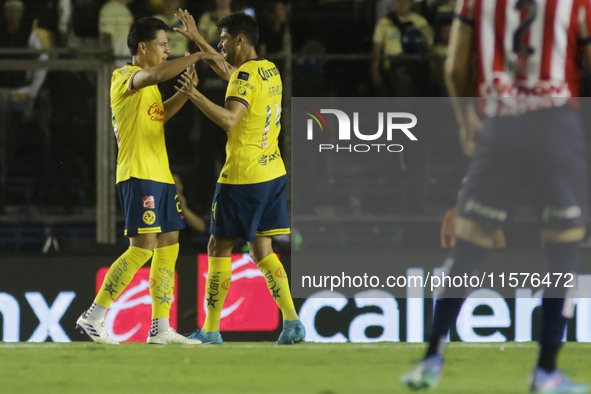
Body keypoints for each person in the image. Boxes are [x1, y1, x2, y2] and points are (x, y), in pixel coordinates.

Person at [401, 0, 591, 392]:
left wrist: (465, 119)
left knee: (468, 246)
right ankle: (546, 371)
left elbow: (455, 66)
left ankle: (431, 359)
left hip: (500, 125)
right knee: (563, 251)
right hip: (555, 125)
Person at [76, 16, 229, 345]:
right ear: (142, 48)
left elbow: (159, 117)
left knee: (169, 244)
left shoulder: (150, 88)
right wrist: (199, 54)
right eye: (163, 45)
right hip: (137, 173)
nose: (167, 51)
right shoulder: (124, 77)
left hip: (160, 174)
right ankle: (94, 315)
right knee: (142, 247)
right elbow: (159, 73)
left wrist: (186, 94)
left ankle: (160, 327)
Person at [173, 9, 305, 345]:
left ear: (240, 40)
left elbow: (230, 120)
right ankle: (292, 324)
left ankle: (211, 330)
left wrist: (193, 94)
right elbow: (231, 71)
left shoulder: (245, 77)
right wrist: (199, 42)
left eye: (223, 39)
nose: (221, 43)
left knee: (219, 247)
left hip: (243, 176)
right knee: (262, 248)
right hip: (272, 171)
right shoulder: (267, 70)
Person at [371, 0, 434, 96]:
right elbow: (376, 51)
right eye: (398, 1)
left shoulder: (421, 22)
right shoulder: (384, 23)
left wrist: (433, 71)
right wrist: (375, 71)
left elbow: (430, 48)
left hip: (415, 70)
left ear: (411, 3)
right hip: (392, 71)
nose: (401, 4)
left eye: (405, 1)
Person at [99, 0, 135, 68]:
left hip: (126, 64)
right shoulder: (110, 8)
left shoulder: (124, 10)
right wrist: (109, 63)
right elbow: (106, 34)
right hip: (116, 65)